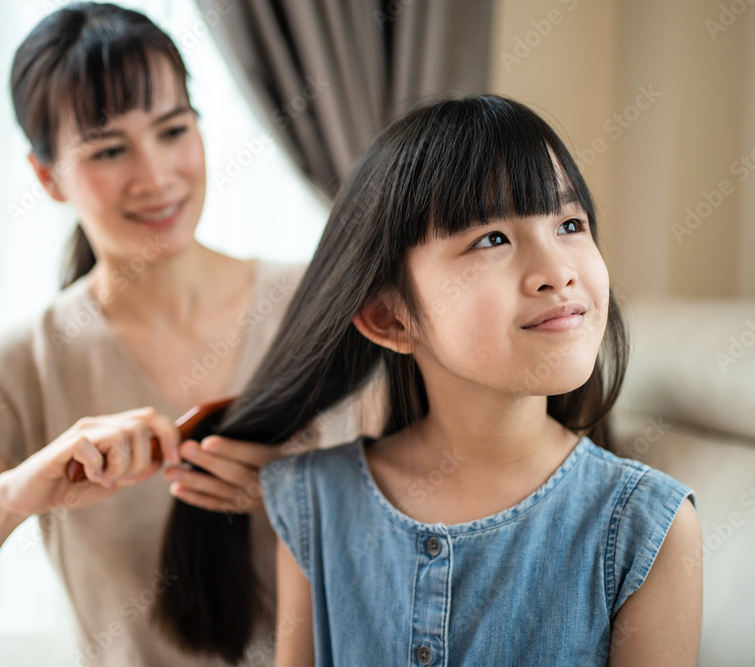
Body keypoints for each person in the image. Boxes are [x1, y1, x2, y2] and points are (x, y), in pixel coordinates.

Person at [0, 4, 379, 666]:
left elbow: (441, 550)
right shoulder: (18, 369)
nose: (156, 176)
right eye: (109, 149)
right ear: (47, 177)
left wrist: (303, 505)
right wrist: (6, 500)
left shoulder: (335, 311)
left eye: (172, 130)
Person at [192, 94, 704, 665]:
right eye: (491, 239)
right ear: (392, 317)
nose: (558, 271)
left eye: (569, 223)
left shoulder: (647, 527)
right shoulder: (313, 503)